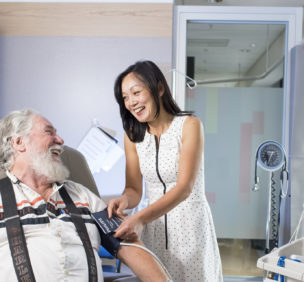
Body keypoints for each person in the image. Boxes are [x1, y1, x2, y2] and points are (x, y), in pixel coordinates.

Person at [0, 109, 169, 282]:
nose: (60, 140)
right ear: (19, 142)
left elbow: (128, 246)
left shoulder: (82, 196)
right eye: (48, 132)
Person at [108, 60, 222, 281]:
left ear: (159, 88)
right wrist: (123, 200)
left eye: (136, 92)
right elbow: (134, 189)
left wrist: (139, 219)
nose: (131, 102)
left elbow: (184, 188)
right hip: (156, 230)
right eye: (125, 97)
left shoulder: (190, 126)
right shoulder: (132, 135)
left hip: (190, 228)